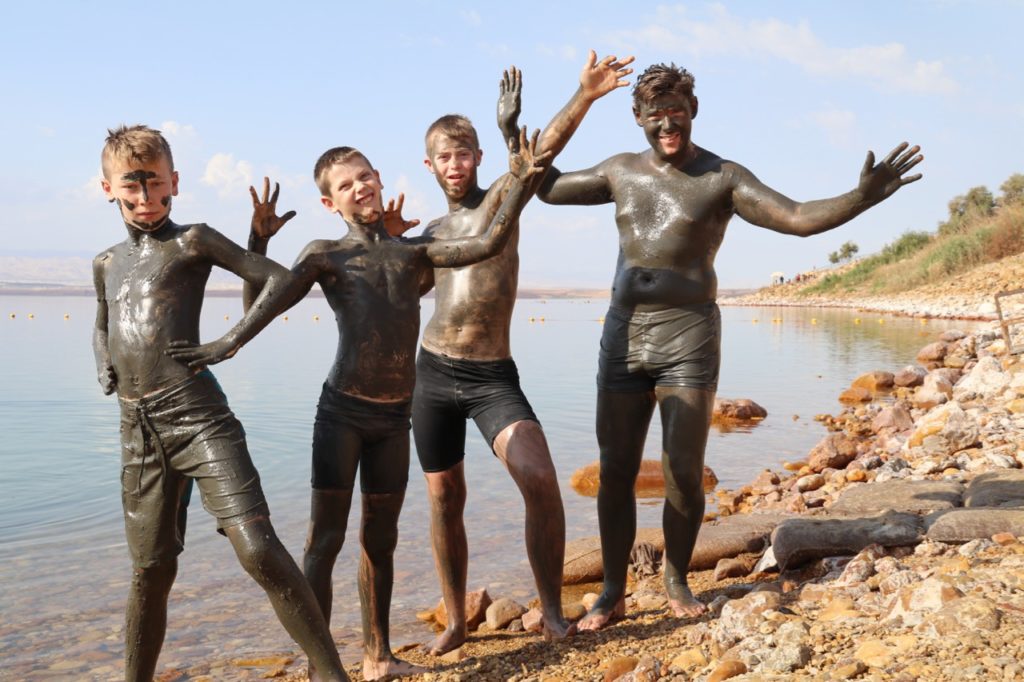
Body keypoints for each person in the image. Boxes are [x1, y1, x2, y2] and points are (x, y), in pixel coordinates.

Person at [536, 63, 923, 630]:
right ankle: (612, 592)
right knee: (617, 470)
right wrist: (580, 97)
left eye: (676, 113)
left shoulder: (723, 177)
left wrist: (860, 198)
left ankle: (675, 579)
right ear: (637, 118)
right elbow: (542, 184)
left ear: (693, 111)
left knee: (683, 472)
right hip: (623, 335)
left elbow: (795, 218)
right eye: (655, 116)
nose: (667, 125)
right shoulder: (620, 171)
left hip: (688, 336)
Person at [167, 127, 550, 680]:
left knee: (382, 539)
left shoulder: (415, 253)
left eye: (365, 176)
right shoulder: (326, 255)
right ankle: (320, 663)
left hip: (394, 418)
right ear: (330, 202)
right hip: (342, 415)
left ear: (379, 177)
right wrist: (226, 333)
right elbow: (263, 303)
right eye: (346, 185)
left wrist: (520, 178)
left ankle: (378, 656)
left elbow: (488, 242)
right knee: (325, 539)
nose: (361, 188)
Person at [92, 125, 349, 681]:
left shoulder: (193, 241)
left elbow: (277, 280)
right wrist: (102, 361)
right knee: (150, 571)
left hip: (199, 418)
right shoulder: (105, 262)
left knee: (257, 548)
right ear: (107, 187)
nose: (144, 199)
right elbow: (102, 322)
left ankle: (332, 675)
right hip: (138, 433)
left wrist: (229, 341)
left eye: (154, 184)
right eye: (130, 187)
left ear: (175, 182)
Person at [414, 50, 634, 654]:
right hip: (431, 375)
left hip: (490, 377)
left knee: (539, 479)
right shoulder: (426, 235)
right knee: (443, 497)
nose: (454, 164)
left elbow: (541, 155)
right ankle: (456, 620)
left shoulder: (502, 202)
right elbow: (387, 296)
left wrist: (584, 94)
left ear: (478, 158)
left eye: (463, 153)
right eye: (443, 156)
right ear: (428, 164)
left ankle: (553, 612)